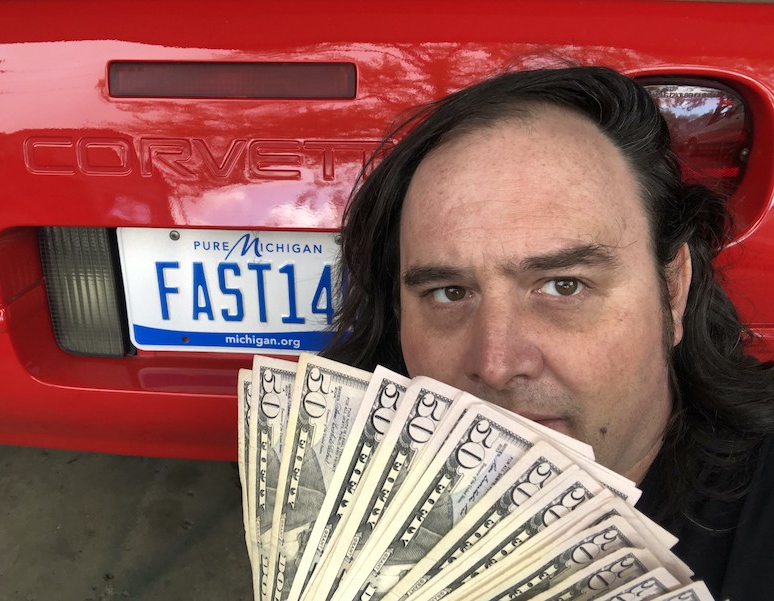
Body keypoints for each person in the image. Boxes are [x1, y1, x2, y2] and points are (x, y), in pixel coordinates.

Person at [322, 66, 774, 600]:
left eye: (564, 285)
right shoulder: (343, 510)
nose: (496, 364)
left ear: (673, 288)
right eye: (449, 292)